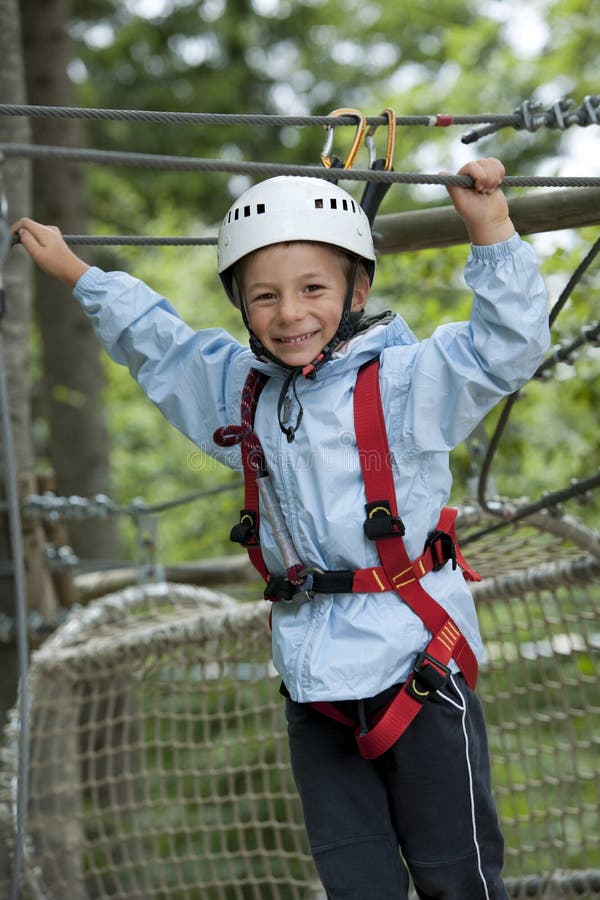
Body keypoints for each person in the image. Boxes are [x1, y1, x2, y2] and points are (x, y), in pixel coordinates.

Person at [12, 157, 549, 899]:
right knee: (355, 881)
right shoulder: (242, 392)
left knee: (456, 875)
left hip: (416, 667)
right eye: (264, 297)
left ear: (357, 291)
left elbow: (505, 347)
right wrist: (79, 274)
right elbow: (163, 345)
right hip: (312, 682)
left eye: (313, 290)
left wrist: (490, 230)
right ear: (240, 306)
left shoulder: (404, 385)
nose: (289, 314)